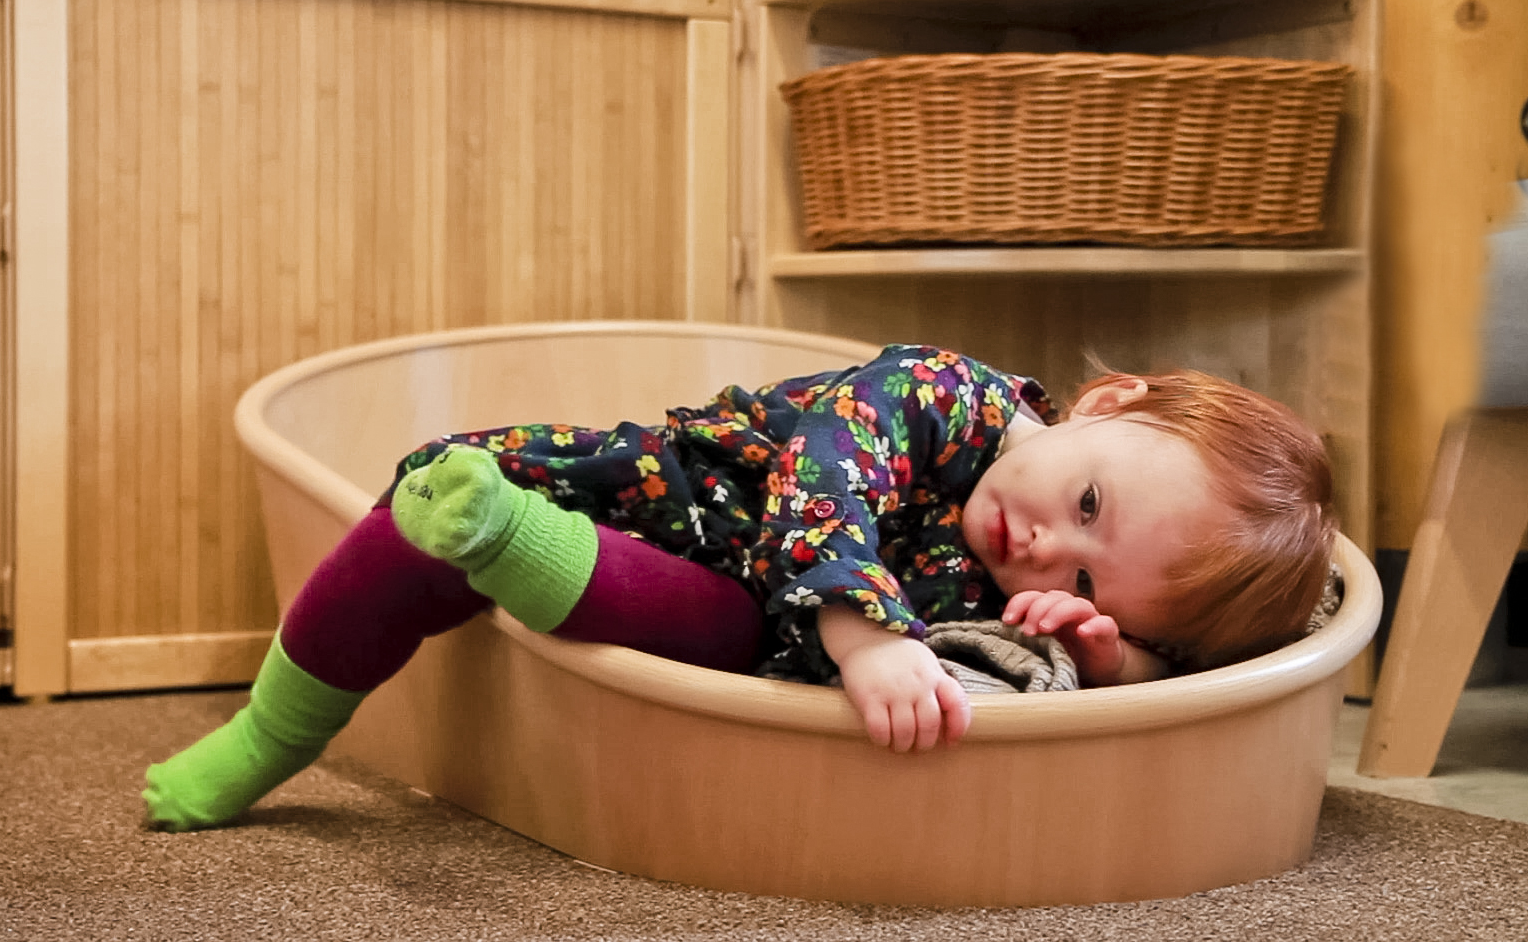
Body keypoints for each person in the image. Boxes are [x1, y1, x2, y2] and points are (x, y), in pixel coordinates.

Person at [142, 344, 1336, 831]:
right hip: (672, 498)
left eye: (1084, 572)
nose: (1040, 547)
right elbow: (832, 469)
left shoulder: (1034, 584)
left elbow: (1159, 673)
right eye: (1087, 502)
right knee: (421, 521)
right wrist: (866, 635)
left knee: (704, 627)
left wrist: (1109, 652)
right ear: (1107, 404)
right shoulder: (944, 394)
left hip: (724, 624)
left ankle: (508, 547)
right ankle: (272, 733)